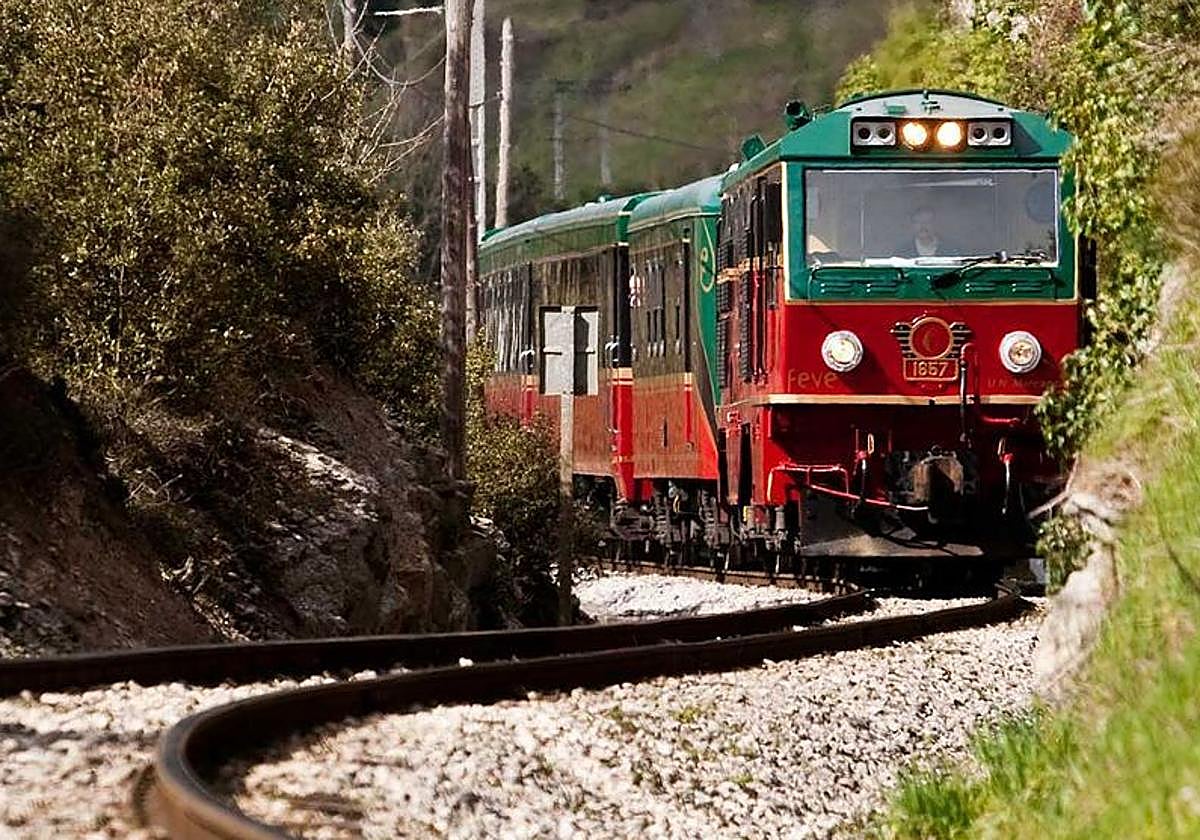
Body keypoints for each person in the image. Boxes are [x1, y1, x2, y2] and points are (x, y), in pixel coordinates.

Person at [893, 205, 961, 258]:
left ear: (935, 224)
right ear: (912, 225)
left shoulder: (952, 250)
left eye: (927, 221)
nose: (923, 226)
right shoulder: (902, 252)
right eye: (918, 222)